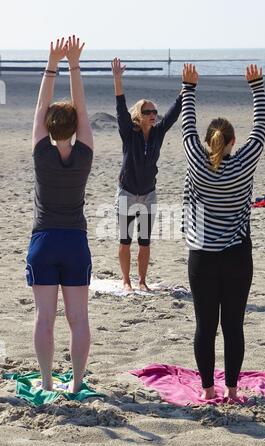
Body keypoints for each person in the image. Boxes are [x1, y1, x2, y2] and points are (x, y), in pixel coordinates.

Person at [181, 63, 265, 400]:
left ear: (207, 142)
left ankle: (207, 390)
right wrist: (256, 86)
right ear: (233, 141)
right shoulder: (244, 161)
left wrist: (189, 88)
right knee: (233, 326)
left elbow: (187, 129)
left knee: (205, 327)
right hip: (236, 255)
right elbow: (260, 129)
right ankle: (231, 391)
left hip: (202, 257)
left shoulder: (195, 158)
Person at [26, 36, 93, 393]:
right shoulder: (84, 155)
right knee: (78, 318)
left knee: (45, 318)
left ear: (50, 127)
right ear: (74, 127)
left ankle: (49, 381)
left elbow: (40, 108)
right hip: (75, 242)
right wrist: (74, 64)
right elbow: (81, 110)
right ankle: (77, 383)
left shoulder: (41, 152)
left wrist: (52, 63)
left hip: (44, 240)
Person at [112, 58, 182, 292]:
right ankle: (126, 281)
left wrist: (186, 89)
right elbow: (121, 109)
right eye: (147, 111)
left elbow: (173, 114)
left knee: (144, 242)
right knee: (125, 241)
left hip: (148, 195)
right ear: (139, 115)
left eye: (154, 111)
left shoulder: (158, 133)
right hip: (127, 193)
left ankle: (142, 281)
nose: (153, 114)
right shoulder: (128, 133)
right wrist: (117, 80)